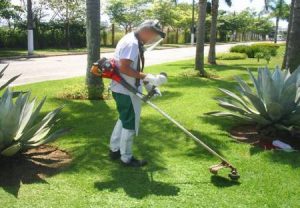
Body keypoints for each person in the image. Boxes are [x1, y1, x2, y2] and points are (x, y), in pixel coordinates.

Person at [109, 20, 166, 167]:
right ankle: (126, 158)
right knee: (130, 124)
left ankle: (114, 150)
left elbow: (133, 67)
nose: (153, 38)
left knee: (123, 119)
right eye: (154, 35)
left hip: (121, 89)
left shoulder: (132, 39)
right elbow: (124, 68)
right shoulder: (132, 43)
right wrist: (148, 77)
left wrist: (147, 85)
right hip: (126, 91)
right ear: (146, 31)